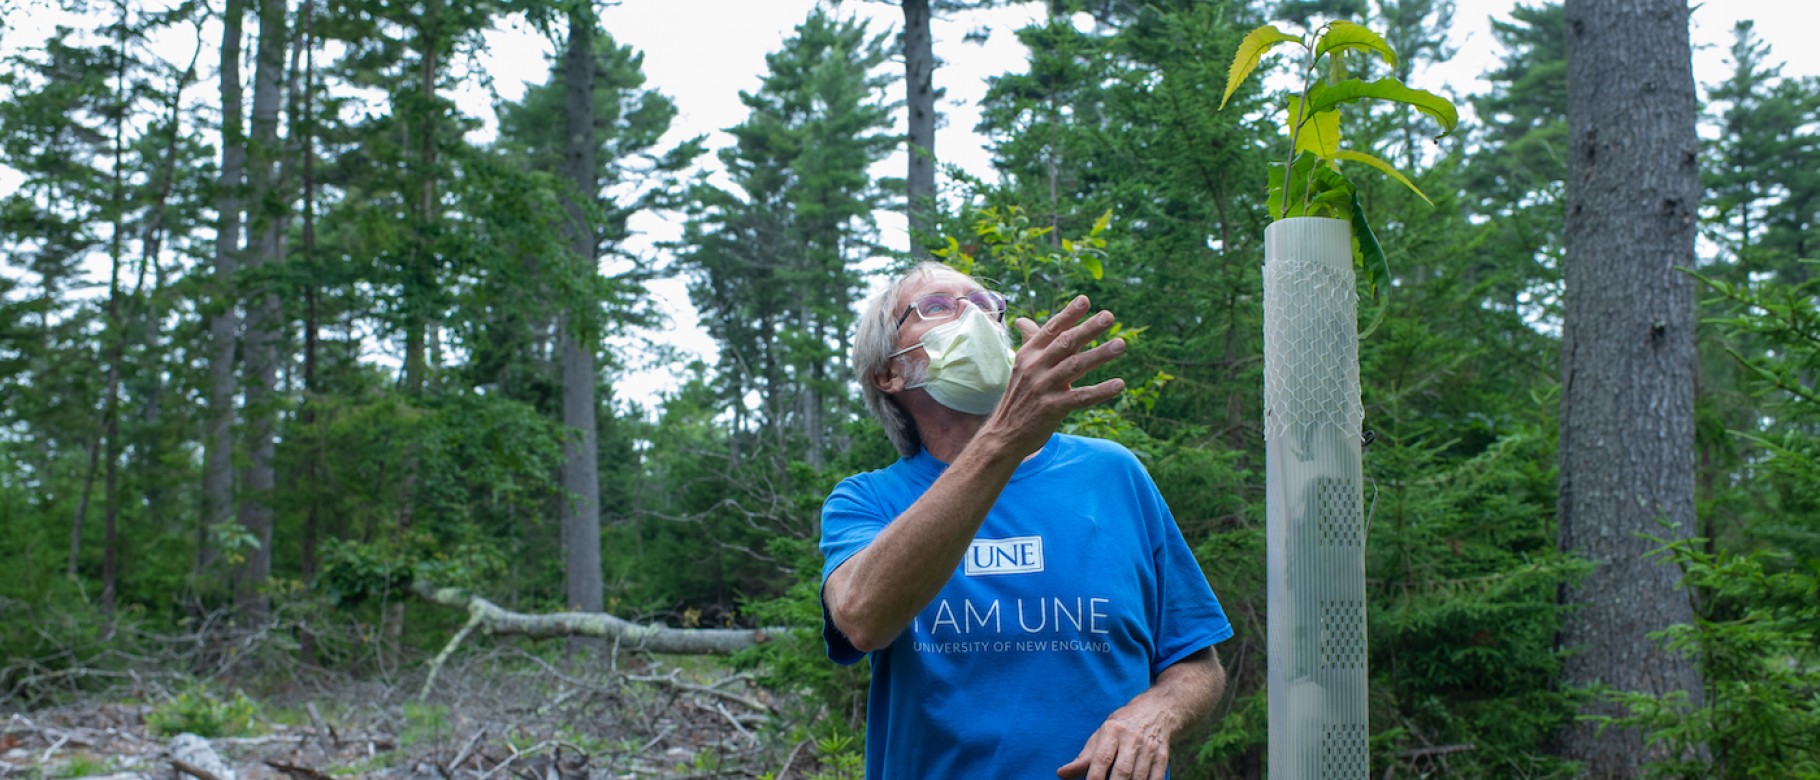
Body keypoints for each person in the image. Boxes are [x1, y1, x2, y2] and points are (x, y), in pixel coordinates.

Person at [820, 262, 1234, 779]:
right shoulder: (868, 501)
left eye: (987, 304)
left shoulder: (1113, 474)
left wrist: (1156, 714)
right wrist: (1006, 436)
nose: (974, 315)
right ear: (888, 372)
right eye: (938, 306)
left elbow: (1197, 662)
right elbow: (861, 618)